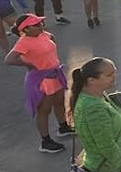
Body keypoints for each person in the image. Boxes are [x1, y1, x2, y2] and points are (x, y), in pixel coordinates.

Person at [5, 14, 71, 153]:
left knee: (59, 101)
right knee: (44, 110)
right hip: (42, 79)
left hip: (55, 74)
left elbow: (52, 38)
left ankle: (63, 127)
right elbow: (9, 59)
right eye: (36, 25)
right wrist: (29, 65)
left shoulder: (43, 34)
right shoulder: (23, 42)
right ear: (26, 29)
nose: (41, 26)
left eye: (40, 23)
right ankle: (45, 141)